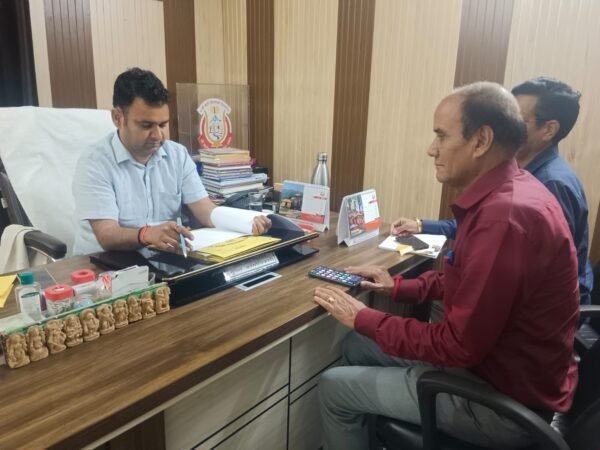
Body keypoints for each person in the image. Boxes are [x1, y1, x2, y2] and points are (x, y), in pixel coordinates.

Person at [314, 82, 579, 449]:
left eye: (441, 135)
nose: (431, 149)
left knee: (334, 387)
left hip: (503, 403)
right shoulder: (509, 192)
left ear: (481, 140)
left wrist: (365, 316)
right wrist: (398, 287)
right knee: (357, 345)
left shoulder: (505, 217)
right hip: (494, 369)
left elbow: (456, 345)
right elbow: (468, 279)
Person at [392, 77, 593, 304]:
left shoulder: (550, 184)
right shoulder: (519, 176)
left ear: (549, 130)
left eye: (517, 118)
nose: (506, 124)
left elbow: (498, 295)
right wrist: (422, 226)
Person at [72, 68, 269, 255]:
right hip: (103, 265)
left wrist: (247, 220)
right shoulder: (95, 162)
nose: (158, 135)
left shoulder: (177, 155)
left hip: (161, 257)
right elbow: (107, 235)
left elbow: (204, 210)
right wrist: (146, 234)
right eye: (146, 125)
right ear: (117, 117)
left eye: (162, 125)